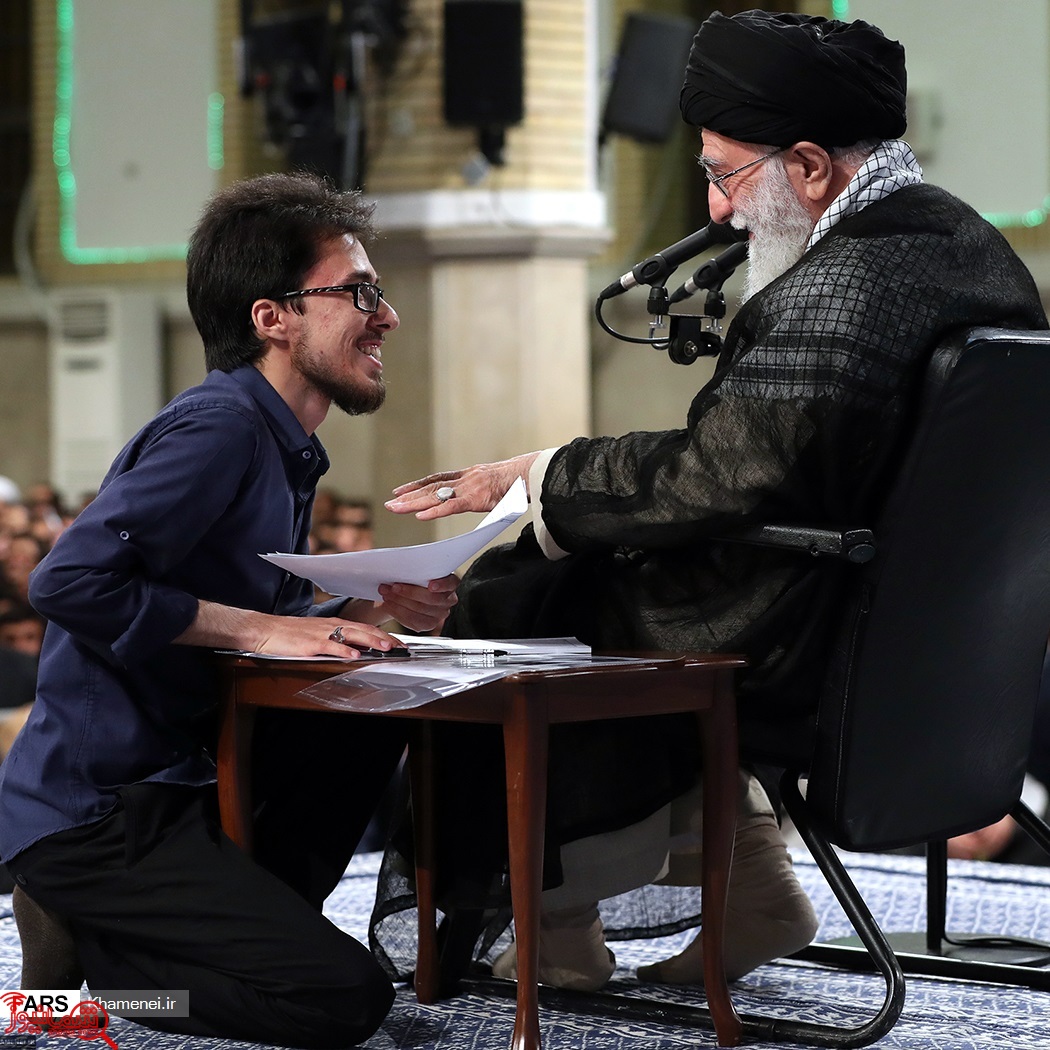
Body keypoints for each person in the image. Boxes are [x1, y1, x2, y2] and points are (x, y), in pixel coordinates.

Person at [379, 10, 1048, 992]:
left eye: (726, 174)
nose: (719, 209)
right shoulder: (968, 245)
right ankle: (754, 888)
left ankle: (557, 929)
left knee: (520, 602)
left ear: (810, 167)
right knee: (605, 567)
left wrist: (540, 479)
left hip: (817, 642)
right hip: (940, 642)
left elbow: (718, 478)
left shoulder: (838, 292)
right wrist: (565, 483)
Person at [0, 172, 458, 1047]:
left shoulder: (282, 440)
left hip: (187, 782)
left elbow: (261, 602)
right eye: (360, 293)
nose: (388, 316)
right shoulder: (223, 427)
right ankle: (107, 991)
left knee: (368, 710)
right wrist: (266, 628)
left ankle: (166, 941)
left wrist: (371, 603)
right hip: (100, 809)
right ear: (273, 317)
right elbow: (68, 581)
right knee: (341, 1000)